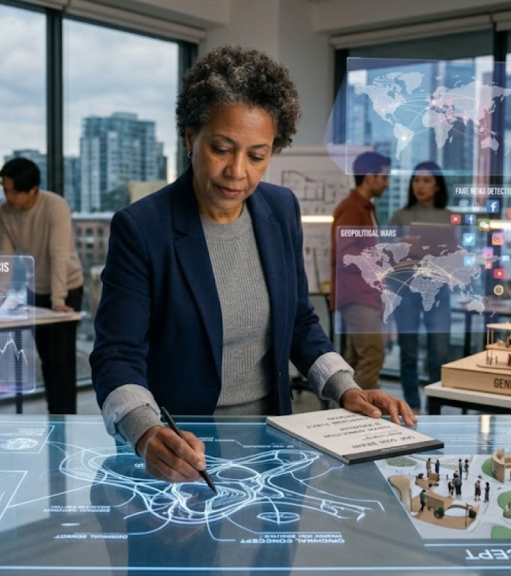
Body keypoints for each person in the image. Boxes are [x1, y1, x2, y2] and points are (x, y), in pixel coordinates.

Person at [89, 45, 416, 484]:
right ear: (189, 138)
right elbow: (116, 353)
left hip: (271, 444)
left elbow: (299, 321)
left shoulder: (281, 209)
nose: (237, 172)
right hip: (180, 448)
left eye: (257, 155)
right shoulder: (142, 227)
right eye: (221, 149)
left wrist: (346, 388)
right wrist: (145, 432)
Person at [0, 157, 84, 414]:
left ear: (32, 190)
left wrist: (58, 300)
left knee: (62, 362)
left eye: (13, 191)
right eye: (5, 189)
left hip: (67, 289)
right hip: (35, 290)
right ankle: (55, 417)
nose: (8, 196)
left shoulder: (55, 206)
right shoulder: (6, 212)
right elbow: (4, 253)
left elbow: (58, 254)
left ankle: (66, 420)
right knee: (47, 360)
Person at [388, 162, 454, 411]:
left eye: (427, 181)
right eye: (416, 180)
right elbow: (388, 254)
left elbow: (455, 256)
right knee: (408, 352)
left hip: (437, 289)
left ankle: (434, 409)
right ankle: (411, 407)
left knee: (439, 352)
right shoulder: (401, 216)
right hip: (407, 287)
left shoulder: (448, 217)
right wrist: (404, 247)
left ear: (437, 186)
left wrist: (426, 250)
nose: (420, 185)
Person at [331, 151, 391, 390]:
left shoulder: (366, 208)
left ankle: (345, 408)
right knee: (372, 356)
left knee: (354, 361)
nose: (387, 183)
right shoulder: (352, 208)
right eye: (384, 177)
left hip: (365, 295)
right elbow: (345, 255)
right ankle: (362, 407)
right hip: (358, 297)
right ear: (369, 177)